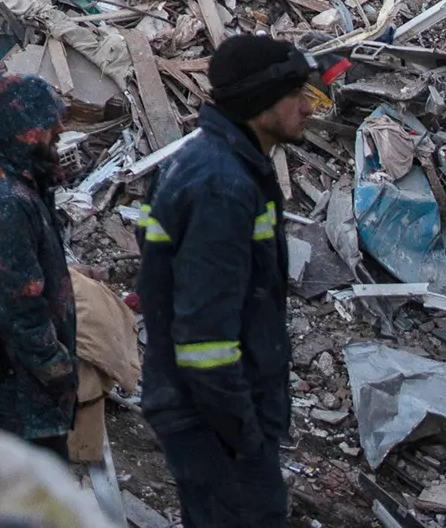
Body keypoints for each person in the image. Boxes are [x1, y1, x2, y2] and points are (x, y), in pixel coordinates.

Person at [140, 34, 314, 528]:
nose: (308, 107)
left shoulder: (217, 164)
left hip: (206, 417)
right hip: (212, 424)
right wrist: (245, 435)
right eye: (295, 93)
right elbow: (205, 342)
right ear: (259, 105)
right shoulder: (223, 184)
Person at [0, 73, 78, 458]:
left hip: (23, 395)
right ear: (21, 129)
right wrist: (57, 368)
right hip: (17, 402)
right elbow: (17, 306)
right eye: (50, 121)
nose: (60, 130)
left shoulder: (20, 187)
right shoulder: (6, 202)